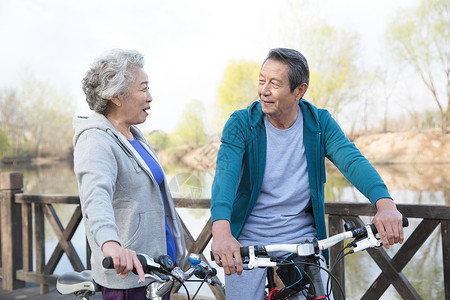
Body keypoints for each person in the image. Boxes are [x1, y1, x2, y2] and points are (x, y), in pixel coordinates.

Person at [210, 48, 404, 299]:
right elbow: (224, 177)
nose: (264, 90)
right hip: (248, 240)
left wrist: (385, 203)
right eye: (261, 80)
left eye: (275, 83)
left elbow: (352, 161)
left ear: (299, 91)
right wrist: (222, 232)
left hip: (303, 238)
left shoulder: (319, 123)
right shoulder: (241, 123)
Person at [73, 49, 186, 300]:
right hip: (127, 274)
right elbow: (95, 197)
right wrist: (110, 245)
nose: (150, 97)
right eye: (143, 88)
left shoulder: (135, 135)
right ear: (117, 96)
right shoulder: (95, 139)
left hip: (158, 269)